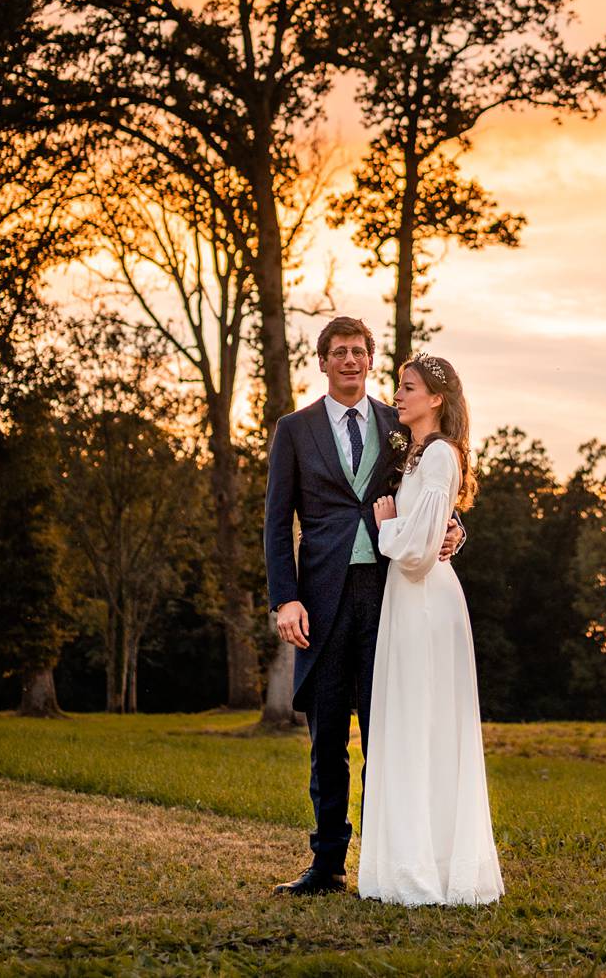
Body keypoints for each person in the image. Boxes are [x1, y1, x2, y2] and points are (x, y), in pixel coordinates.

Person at [264, 316, 464, 896]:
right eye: (338, 352)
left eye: (359, 351)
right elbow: (278, 523)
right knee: (327, 739)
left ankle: (387, 864)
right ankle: (326, 865)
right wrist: (286, 599)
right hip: (321, 602)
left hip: (389, 597)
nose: (350, 360)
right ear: (322, 361)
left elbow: (432, 492)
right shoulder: (294, 430)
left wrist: (456, 531)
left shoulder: (397, 422)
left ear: (370, 360)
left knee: (389, 734)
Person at [358, 352, 503, 906]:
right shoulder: (415, 454)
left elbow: (417, 552)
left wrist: (387, 527)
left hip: (424, 601)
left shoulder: (440, 454)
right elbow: (433, 526)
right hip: (409, 600)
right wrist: (425, 529)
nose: (398, 395)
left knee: (424, 724)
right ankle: (409, 863)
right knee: (410, 723)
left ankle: (430, 871)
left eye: (408, 387)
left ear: (437, 399)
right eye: (399, 386)